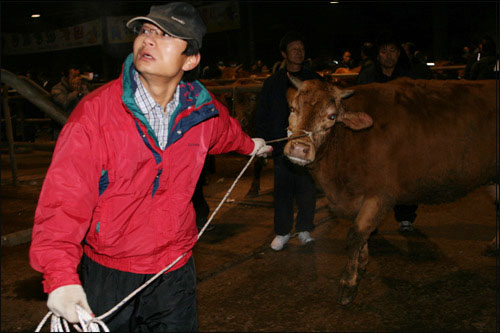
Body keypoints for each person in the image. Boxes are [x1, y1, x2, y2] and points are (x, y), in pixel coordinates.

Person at [29, 2, 271, 331]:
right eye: (146, 30)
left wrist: (250, 146)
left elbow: (225, 132)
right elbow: (64, 199)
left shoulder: (202, 109)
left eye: (166, 34)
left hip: (175, 269)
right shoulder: (95, 114)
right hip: (110, 272)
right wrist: (60, 277)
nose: (150, 39)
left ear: (191, 59)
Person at [255, 31, 322, 251]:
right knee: (282, 190)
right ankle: (282, 232)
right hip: (281, 145)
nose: (299, 52)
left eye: (301, 48)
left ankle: (304, 229)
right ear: (284, 53)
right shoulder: (272, 83)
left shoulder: (315, 81)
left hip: (308, 145)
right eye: (294, 48)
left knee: (307, 189)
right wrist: (265, 143)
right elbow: (262, 114)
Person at [357, 31, 420, 233]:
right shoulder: (367, 75)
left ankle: (406, 218)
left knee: (405, 177)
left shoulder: (409, 76)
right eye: (383, 51)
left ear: (399, 53)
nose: (388, 55)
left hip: (403, 136)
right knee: (373, 179)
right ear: (378, 55)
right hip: (375, 135)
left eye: (392, 50)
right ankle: (371, 219)